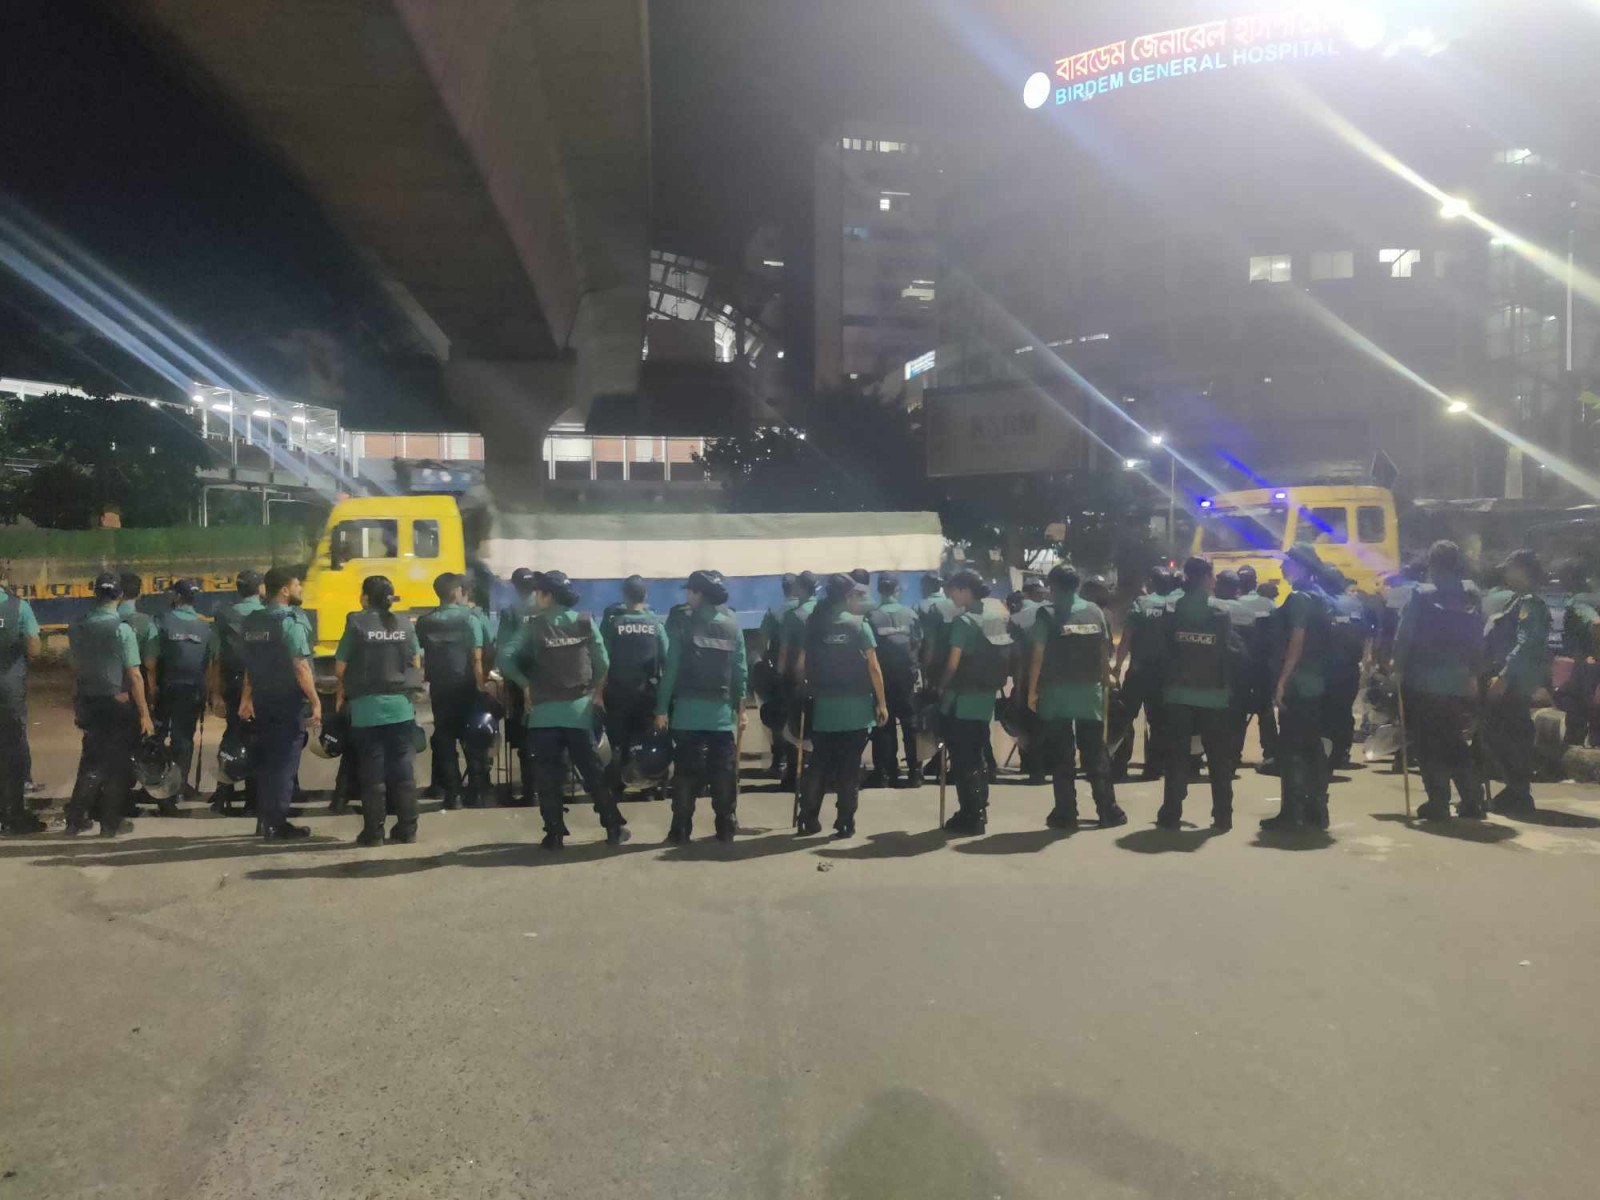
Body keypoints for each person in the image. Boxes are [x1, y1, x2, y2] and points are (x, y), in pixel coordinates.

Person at [501, 570, 626, 850]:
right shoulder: (584, 622)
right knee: (593, 772)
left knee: (548, 775)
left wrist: (525, 685)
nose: (535, 597)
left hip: (543, 714)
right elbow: (603, 661)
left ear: (548, 595)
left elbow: (506, 657)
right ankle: (613, 826)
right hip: (578, 712)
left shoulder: (534, 625)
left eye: (539, 592)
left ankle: (554, 833)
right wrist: (594, 690)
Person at [1026, 564, 1124, 829]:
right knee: (1095, 753)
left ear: (1054, 587)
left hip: (1056, 694)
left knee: (1061, 755)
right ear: (1078, 586)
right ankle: (1108, 811)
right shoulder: (1095, 611)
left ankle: (1066, 813)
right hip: (1090, 694)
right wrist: (1105, 682)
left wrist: (1032, 692)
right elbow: (1104, 650)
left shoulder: (1046, 614)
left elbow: (1038, 655)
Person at [1393, 540, 1485, 820]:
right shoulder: (1471, 593)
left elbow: (1404, 635)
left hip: (1424, 681)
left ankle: (1438, 802)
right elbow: (1480, 635)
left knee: (1428, 743)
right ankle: (1472, 800)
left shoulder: (1421, 594)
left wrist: (1397, 667)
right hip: (1459, 681)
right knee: (1454, 740)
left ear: (1432, 564)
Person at [654, 569, 748, 843]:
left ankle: (681, 829)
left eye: (689, 591)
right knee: (723, 773)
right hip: (721, 716)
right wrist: (741, 709)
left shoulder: (683, 623)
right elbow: (740, 671)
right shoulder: (733, 625)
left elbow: (670, 669)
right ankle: (726, 826)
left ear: (698, 593)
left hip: (687, 714)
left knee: (685, 774)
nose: (687, 596)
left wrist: (661, 709)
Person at [796, 574, 888, 836]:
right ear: (848, 596)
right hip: (857, 709)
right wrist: (882, 703)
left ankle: (808, 819)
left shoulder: (814, 624)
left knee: (820, 764)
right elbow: (873, 667)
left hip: (824, 707)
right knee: (849, 767)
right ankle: (845, 822)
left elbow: (801, 664)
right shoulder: (859, 625)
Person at [1156, 558, 1243, 831]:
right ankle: (1223, 816)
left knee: (1177, 757)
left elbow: (1165, 651)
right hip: (1213, 694)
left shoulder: (1171, 609)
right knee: (1218, 758)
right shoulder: (1221, 611)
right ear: (1206, 578)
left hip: (1178, 693)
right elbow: (1228, 653)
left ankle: (1171, 813)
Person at [64, 573, 154, 836]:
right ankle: (109, 823)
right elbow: (135, 675)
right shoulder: (121, 629)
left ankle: (76, 819)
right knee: (115, 764)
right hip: (117, 702)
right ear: (119, 596)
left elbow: (74, 665)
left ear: (95, 594)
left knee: (91, 760)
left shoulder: (77, 626)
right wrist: (144, 714)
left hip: (88, 700)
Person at [336, 575, 422, 844]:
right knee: (403, 769)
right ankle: (407, 829)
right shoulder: (406, 624)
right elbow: (416, 661)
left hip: (367, 709)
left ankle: (374, 832)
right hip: (401, 708)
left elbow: (340, 667)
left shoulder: (356, 622)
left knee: (372, 771)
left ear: (364, 597)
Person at [239, 565, 321, 840]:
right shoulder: (289, 621)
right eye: (297, 586)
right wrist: (316, 701)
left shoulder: (252, 622)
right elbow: (301, 667)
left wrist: (246, 700)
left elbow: (250, 666)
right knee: (284, 765)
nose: (300, 590)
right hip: (287, 701)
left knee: (266, 763)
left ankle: (267, 819)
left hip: (263, 700)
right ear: (285, 590)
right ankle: (277, 824)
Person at [1262, 545, 1331, 831]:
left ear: (1302, 566)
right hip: (1317, 682)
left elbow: (1297, 639)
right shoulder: (1321, 597)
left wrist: (1282, 681)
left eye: (1288, 563)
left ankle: (1292, 813)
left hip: (1299, 683)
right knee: (1312, 747)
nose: (1282, 568)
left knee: (1291, 750)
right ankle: (1317, 809)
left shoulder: (1300, 598)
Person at [937, 569, 1011, 835]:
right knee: (977, 755)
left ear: (965, 590)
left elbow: (953, 664)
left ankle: (971, 815)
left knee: (963, 759)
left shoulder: (964, 622)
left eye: (953, 589)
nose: (949, 594)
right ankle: (980, 808)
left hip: (962, 699)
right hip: (985, 698)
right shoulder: (996, 617)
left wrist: (940, 687)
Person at [1480, 549, 1552, 816]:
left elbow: (1525, 645)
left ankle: (1519, 792)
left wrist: (1504, 676)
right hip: (1510, 680)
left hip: (1514, 683)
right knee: (1500, 734)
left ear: (1522, 570)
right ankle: (1515, 789)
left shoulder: (1530, 604)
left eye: (1510, 568)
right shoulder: (1518, 601)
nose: (1506, 573)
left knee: (1509, 735)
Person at [415, 572, 489, 810]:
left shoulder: (425, 622)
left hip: (440, 689)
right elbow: (477, 657)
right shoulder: (470, 618)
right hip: (467, 686)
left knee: (445, 740)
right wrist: (482, 687)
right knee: (473, 738)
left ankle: (452, 794)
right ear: (457, 592)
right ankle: (476, 793)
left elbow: (417, 655)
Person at [600, 575, 669, 795]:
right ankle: (648, 787)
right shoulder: (655, 625)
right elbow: (667, 658)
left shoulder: (615, 625)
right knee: (645, 739)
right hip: (647, 694)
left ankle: (617, 785)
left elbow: (603, 660)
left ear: (624, 596)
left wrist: (598, 693)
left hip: (618, 694)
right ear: (645, 595)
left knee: (618, 742)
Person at [208, 570, 265, 813]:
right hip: (260, 682)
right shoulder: (266, 615)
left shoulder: (224, 615)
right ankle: (254, 798)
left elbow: (216, 657)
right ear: (260, 588)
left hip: (231, 682)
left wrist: (216, 694)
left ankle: (223, 794)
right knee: (258, 738)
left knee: (233, 734)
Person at [149, 579, 210, 802]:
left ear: (176, 597)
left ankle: (156, 784)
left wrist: (152, 687)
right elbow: (210, 662)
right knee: (183, 740)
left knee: (157, 736)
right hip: (193, 689)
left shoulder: (161, 620)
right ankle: (179, 786)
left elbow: (152, 659)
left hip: (167, 687)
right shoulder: (204, 625)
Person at [1111, 567, 1175, 781]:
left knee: (1125, 717)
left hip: (1139, 671)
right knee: (1159, 722)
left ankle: (1119, 765)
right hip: (1165, 674)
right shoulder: (1175, 605)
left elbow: (1127, 639)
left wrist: (1117, 667)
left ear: (1151, 583)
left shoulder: (1141, 604)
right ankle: (1155, 768)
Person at [865, 571, 923, 787]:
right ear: (897, 590)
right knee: (910, 724)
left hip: (882, 677)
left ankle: (885, 774)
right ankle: (915, 774)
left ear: (879, 590)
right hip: (907, 676)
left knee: (884, 723)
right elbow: (917, 643)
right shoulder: (910, 614)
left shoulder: (871, 616)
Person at [0, 567, 44, 834]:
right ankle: (13, 812)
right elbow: (34, 647)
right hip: (8, 687)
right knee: (12, 747)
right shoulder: (19, 607)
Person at [495, 567, 541, 806]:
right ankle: (553, 788)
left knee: (525, 738)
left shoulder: (511, 612)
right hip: (552, 682)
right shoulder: (547, 608)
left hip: (519, 682)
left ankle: (530, 792)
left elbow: (503, 649)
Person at [1322, 570, 1375, 770]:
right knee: (1344, 710)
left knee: (1326, 711)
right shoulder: (1356, 603)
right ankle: (1343, 752)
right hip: (1350, 666)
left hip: (1327, 667)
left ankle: (1328, 753)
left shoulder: (1323, 601)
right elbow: (1368, 633)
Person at [775, 570, 820, 789]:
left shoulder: (794, 616)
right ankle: (818, 771)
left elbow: (784, 650)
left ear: (800, 588)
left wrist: (779, 675)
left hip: (796, 678)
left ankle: (793, 773)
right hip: (822, 678)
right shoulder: (823, 611)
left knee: (794, 726)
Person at [1234, 565, 1279, 768]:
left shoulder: (1232, 605)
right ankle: (1271, 753)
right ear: (1255, 582)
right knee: (1265, 710)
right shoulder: (1269, 604)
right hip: (1264, 666)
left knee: (1236, 711)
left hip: (1239, 667)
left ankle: (1233, 753)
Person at [758, 573, 799, 777]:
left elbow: (762, 644)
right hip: (805, 671)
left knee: (778, 717)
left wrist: (766, 663)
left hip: (779, 671)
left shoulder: (774, 612)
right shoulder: (806, 609)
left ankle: (779, 760)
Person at [1006, 587, 1048, 784]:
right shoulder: (1049, 609)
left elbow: (1019, 660)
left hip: (1031, 679)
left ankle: (1033, 768)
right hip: (1057, 678)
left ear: (1013, 605)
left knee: (1029, 723)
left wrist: (1019, 687)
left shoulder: (1016, 620)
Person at [1556, 560, 1599, 749]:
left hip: (1587, 663)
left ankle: (1572, 756)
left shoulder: (1578, 601)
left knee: (1574, 705)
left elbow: (1596, 623)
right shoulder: (1593, 596)